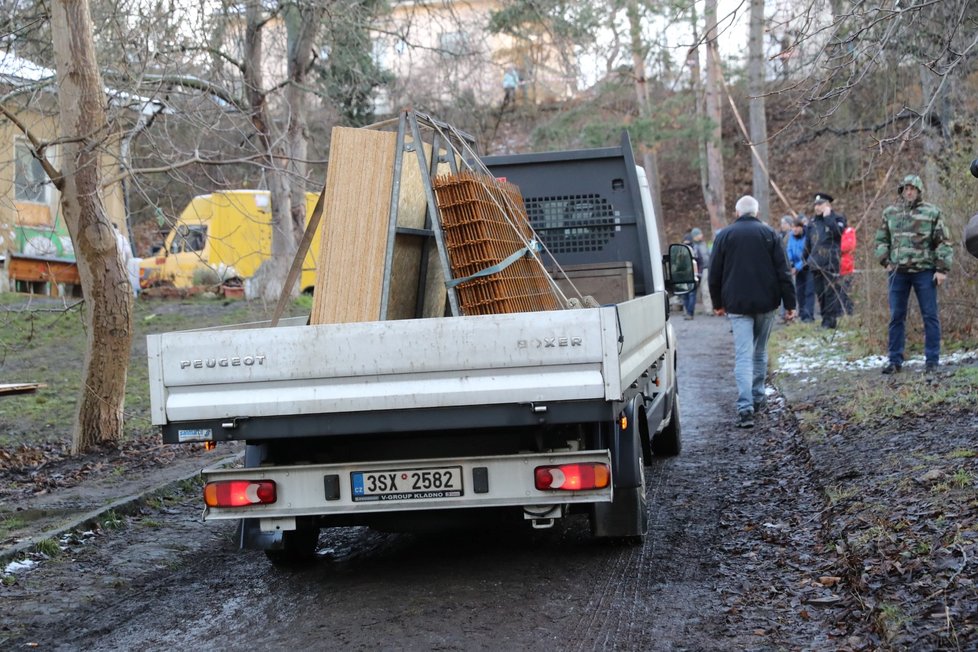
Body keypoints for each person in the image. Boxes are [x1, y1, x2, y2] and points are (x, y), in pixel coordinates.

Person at [709, 195, 797, 428]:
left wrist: (717, 303)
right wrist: (790, 305)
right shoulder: (770, 235)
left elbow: (714, 274)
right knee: (759, 351)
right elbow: (784, 272)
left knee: (743, 354)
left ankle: (745, 406)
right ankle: (758, 398)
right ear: (757, 213)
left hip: (737, 305)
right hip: (767, 302)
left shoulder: (724, 236)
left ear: (737, 213)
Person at [874, 174, 953, 374]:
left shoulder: (932, 212)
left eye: (913, 189)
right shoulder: (891, 213)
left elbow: (943, 242)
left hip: (924, 272)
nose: (909, 192)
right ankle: (894, 360)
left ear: (919, 191)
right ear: (901, 191)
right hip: (897, 273)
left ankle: (932, 361)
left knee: (930, 315)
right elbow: (882, 239)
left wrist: (942, 269)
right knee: (896, 316)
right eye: (906, 189)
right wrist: (885, 261)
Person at [804, 192, 846, 328]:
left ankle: (830, 321)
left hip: (830, 263)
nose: (817, 207)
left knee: (830, 293)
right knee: (820, 293)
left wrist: (828, 217)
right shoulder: (812, 223)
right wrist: (804, 259)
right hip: (816, 264)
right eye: (815, 205)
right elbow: (808, 243)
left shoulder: (838, 218)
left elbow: (838, 233)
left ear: (828, 205)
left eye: (820, 204)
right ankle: (824, 319)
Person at [785, 217, 815, 321]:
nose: (795, 229)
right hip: (797, 269)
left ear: (801, 227)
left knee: (809, 292)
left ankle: (809, 315)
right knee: (799, 292)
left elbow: (809, 253)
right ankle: (802, 314)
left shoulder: (807, 237)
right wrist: (791, 265)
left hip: (808, 267)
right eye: (793, 227)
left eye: (797, 227)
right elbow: (788, 251)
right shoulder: (791, 237)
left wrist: (798, 267)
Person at [838, 224, 856, 315]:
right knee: (838, 291)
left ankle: (849, 311)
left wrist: (836, 248)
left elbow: (847, 246)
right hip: (837, 267)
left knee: (846, 291)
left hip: (847, 267)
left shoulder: (849, 232)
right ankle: (840, 312)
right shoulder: (837, 232)